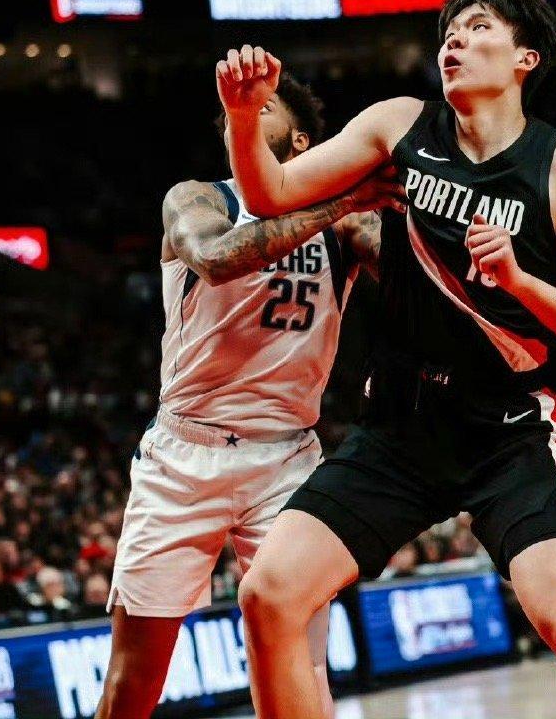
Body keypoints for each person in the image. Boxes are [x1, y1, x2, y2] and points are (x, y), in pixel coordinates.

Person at [217, 0, 556, 719]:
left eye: (477, 27)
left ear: (524, 57)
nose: (453, 38)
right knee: (269, 594)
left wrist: (518, 279)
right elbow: (270, 194)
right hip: (399, 429)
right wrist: (241, 117)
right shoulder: (400, 124)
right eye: (449, 29)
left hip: (504, 432)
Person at [94, 74, 396, 719]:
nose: (246, 112)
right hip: (184, 454)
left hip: (287, 458)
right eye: (236, 109)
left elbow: (419, 284)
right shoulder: (199, 198)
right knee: (134, 682)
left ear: (302, 140)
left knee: (299, 668)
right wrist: (341, 202)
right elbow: (215, 258)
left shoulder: (347, 225)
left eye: (265, 105)